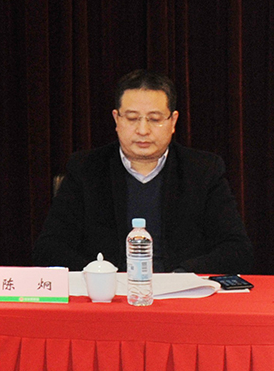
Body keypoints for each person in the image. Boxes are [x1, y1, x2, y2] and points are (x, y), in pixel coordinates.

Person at [34, 70, 253, 274]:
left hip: (180, 293)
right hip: (108, 295)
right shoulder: (86, 169)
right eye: (132, 118)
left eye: (155, 119)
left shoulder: (203, 170)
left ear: (173, 121)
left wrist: (181, 277)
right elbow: (49, 248)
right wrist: (101, 276)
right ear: (117, 120)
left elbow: (237, 249)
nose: (142, 130)